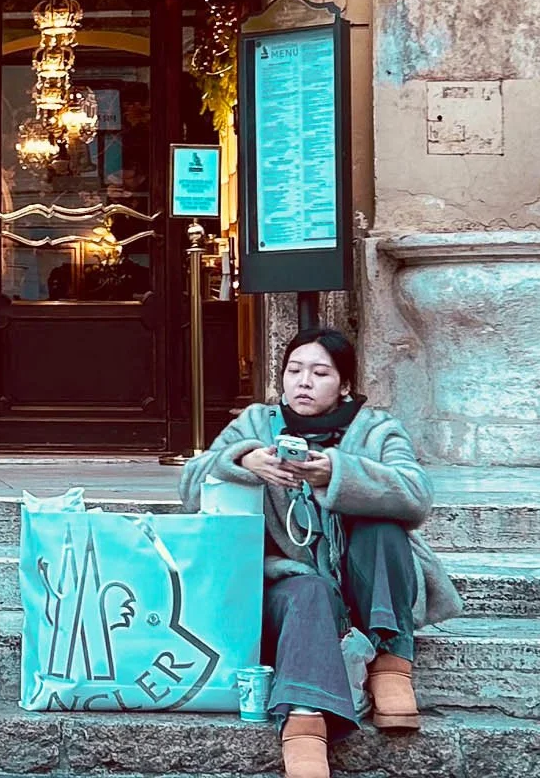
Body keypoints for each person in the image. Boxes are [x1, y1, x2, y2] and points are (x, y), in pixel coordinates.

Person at [181, 328, 461, 778]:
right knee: (307, 589)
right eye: (294, 371)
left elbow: (417, 495)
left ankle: (391, 660)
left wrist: (338, 473)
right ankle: (305, 724)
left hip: (367, 585)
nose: (303, 382)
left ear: (344, 384)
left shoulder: (377, 430)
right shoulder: (254, 423)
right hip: (290, 591)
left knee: (382, 524)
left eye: (319, 372)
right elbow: (189, 486)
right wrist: (242, 460)